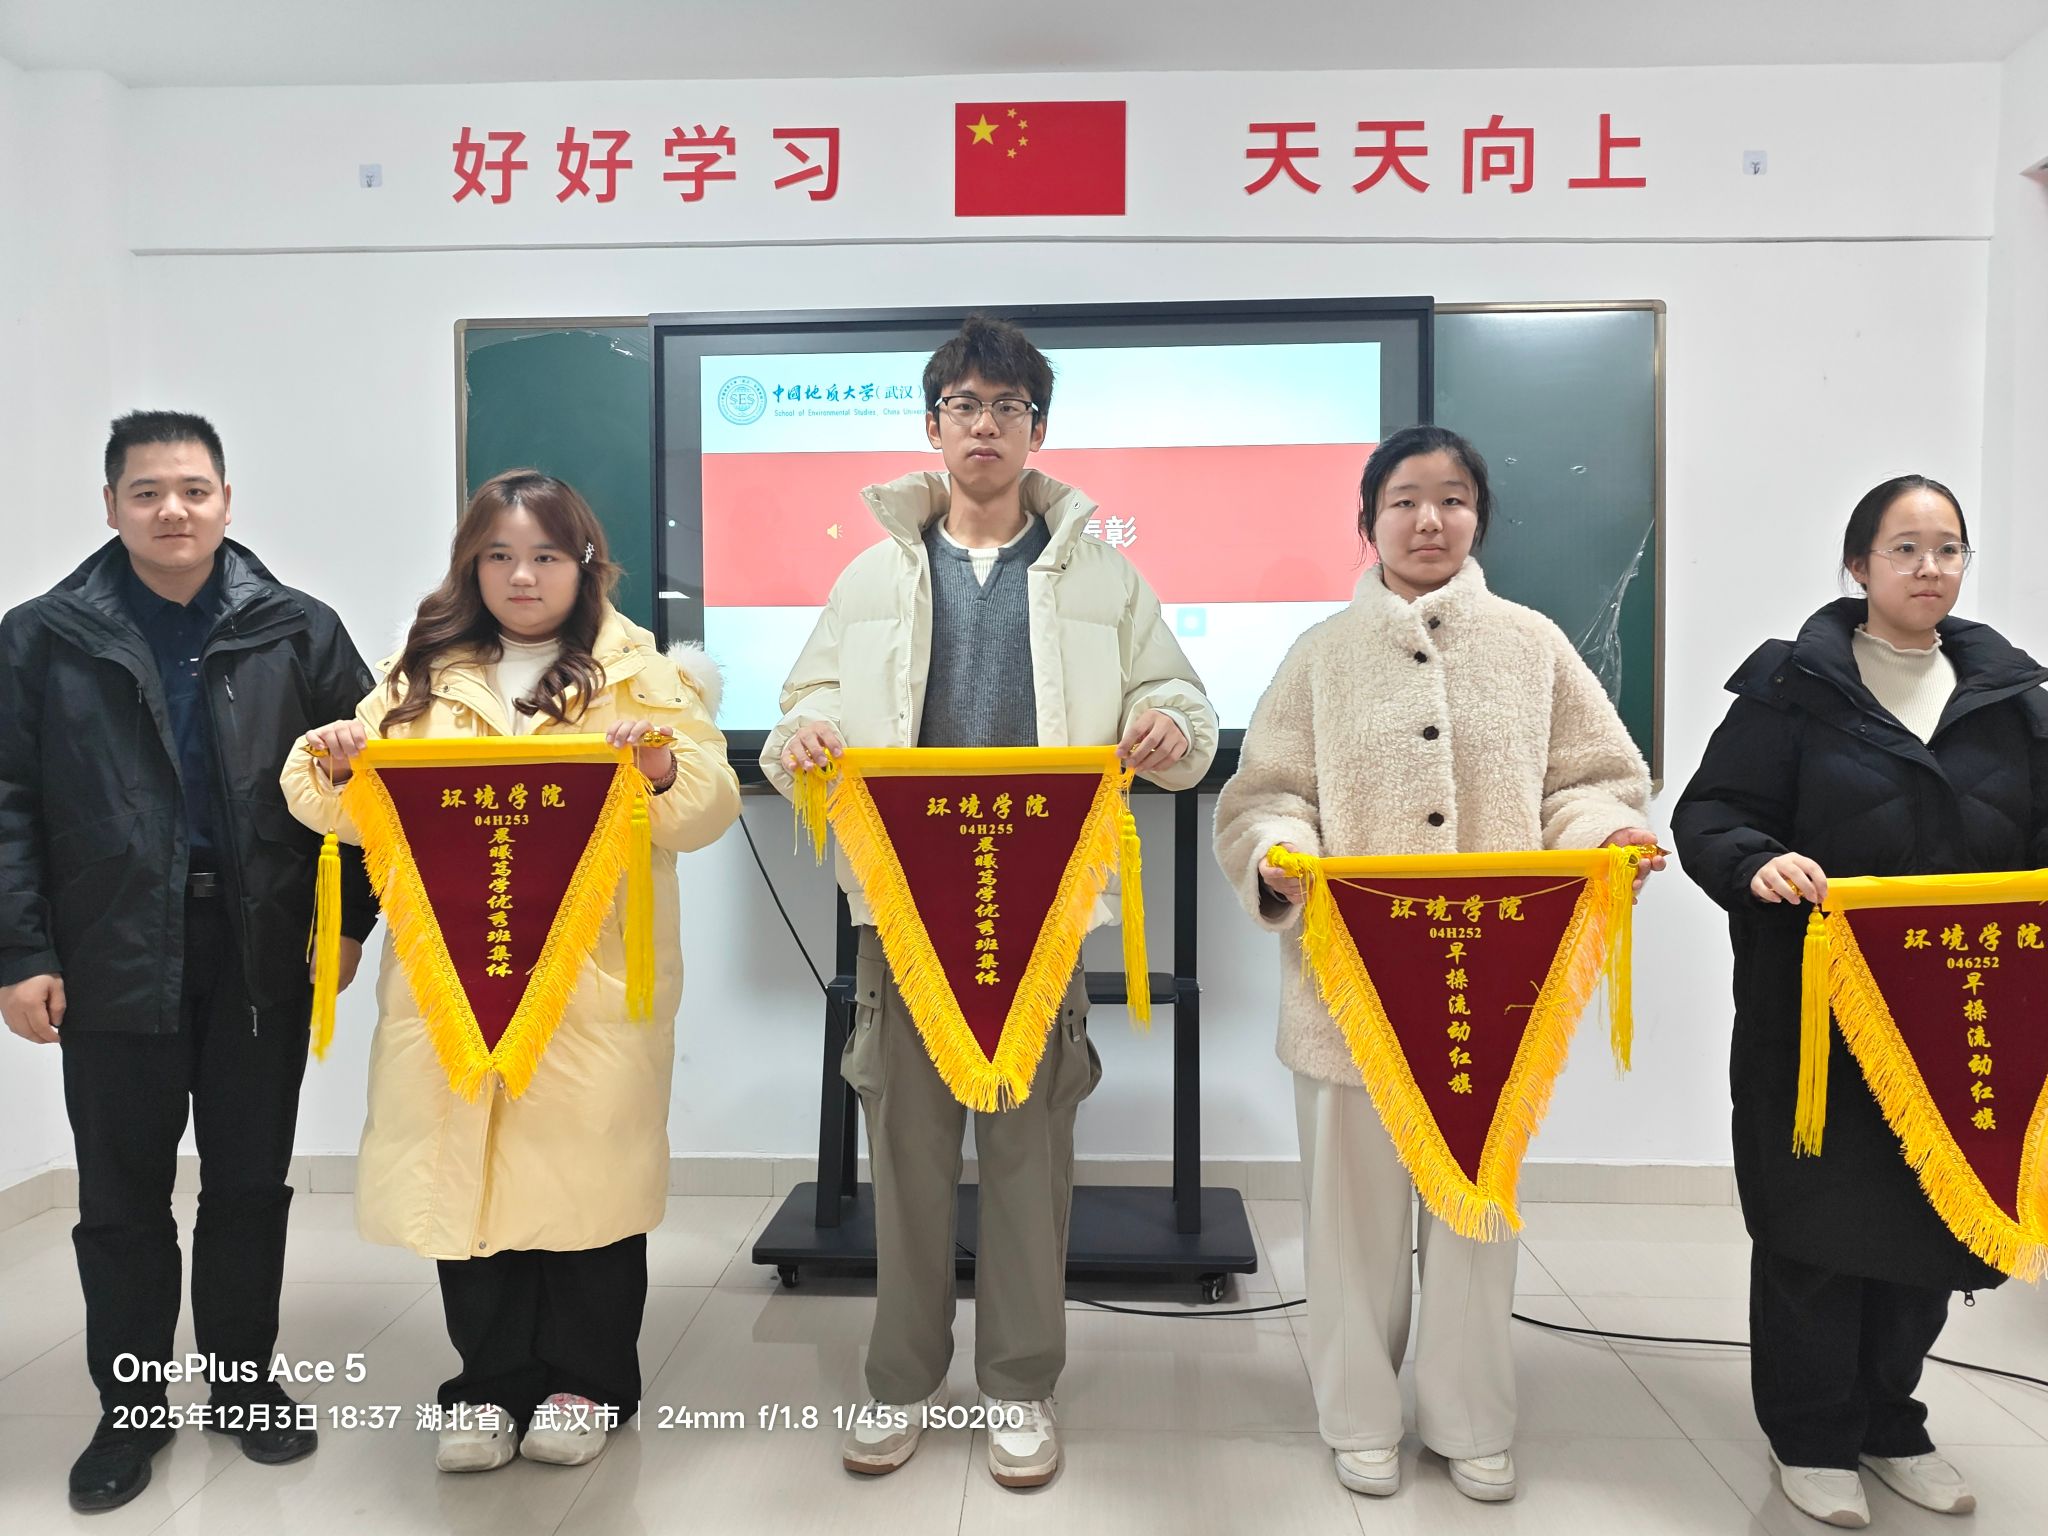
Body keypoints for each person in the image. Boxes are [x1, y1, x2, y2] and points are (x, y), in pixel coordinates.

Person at [762, 315, 1217, 1489]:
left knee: (1027, 1155)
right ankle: (897, 1382)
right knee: (906, 1156)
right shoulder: (870, 575)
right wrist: (803, 736)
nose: (983, 425)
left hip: (1042, 908)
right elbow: (802, 706)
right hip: (902, 910)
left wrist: (1164, 728)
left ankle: (1018, 1385)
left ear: (1035, 430)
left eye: (1006, 407)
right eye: (962, 405)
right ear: (932, 425)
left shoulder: (1101, 574)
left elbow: (1183, 707)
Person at [1212, 424, 1660, 1504]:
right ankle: (1359, 1417)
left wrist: (1606, 834)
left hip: (1489, 997)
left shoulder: (1532, 645)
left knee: (1473, 1217)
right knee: (1351, 1228)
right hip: (1349, 997)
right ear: (1367, 520)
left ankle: (1469, 1418)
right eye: (1405, 499)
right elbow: (1266, 795)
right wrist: (1280, 856)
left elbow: (1592, 779)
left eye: (1453, 499)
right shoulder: (1320, 654)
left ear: (1478, 518)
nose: (1429, 519)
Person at [283, 469, 739, 1473]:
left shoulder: (640, 674)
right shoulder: (419, 675)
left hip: (589, 984)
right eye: (498, 555)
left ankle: (587, 1382)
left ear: (583, 564)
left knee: (587, 1186)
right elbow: (341, 810)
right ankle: (487, 1385)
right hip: (456, 973)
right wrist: (338, 761)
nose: (521, 576)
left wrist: (661, 769)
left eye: (543, 555)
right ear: (471, 566)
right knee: (469, 1186)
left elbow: (707, 807)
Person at [0, 411, 380, 1510]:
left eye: (194, 490)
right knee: (120, 1197)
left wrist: (348, 923)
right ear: (110, 505)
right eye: (148, 491)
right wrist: (21, 950)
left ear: (226, 500)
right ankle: (130, 1411)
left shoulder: (298, 629)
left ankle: (244, 1386)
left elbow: (372, 785)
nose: (173, 510)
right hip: (110, 947)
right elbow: (8, 801)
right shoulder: (43, 637)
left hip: (260, 943)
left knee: (249, 1183)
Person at [1673, 474, 2044, 1528]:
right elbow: (1711, 816)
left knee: (1933, 1219)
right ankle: (1809, 1435)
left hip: (1958, 1015)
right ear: (1857, 566)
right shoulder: (1793, 690)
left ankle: (1890, 1423)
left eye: (1947, 549)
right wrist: (1758, 861)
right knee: (1817, 1225)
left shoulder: (2013, 699)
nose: (1929, 568)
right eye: (1904, 549)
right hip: (1819, 1019)